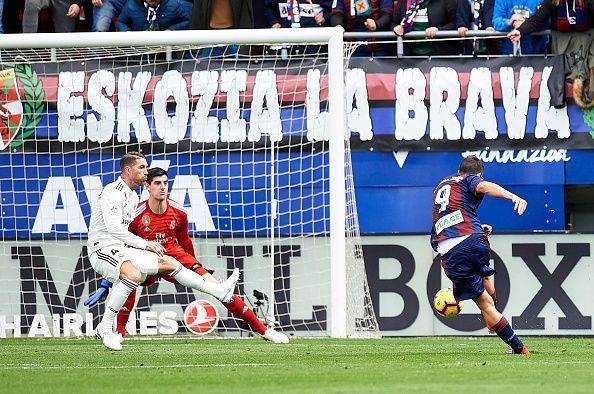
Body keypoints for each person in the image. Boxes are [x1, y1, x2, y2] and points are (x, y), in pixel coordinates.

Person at [87, 167, 290, 343]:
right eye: (157, 183)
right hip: (146, 255)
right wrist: (107, 282)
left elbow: (184, 241)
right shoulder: (137, 212)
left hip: (173, 255)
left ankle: (264, 330)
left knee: (216, 287)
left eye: (165, 183)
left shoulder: (179, 211)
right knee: (131, 280)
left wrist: (195, 266)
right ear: (147, 187)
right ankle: (119, 333)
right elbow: (123, 244)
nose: (163, 187)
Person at [88, 152, 240, 351]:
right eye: (141, 167)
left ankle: (218, 291)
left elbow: (124, 234)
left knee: (169, 262)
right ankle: (105, 327)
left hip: (121, 250)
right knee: (132, 275)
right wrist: (146, 245)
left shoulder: (133, 196)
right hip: (102, 247)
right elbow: (114, 229)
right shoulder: (112, 192)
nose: (146, 171)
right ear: (128, 170)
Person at [431, 155, 529, 354]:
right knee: (483, 276)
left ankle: (518, 348)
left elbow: (449, 215)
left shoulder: (442, 185)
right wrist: (512, 196)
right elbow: (483, 187)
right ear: (479, 174)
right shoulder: (471, 179)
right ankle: (493, 320)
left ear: (460, 171)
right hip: (475, 238)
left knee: (484, 304)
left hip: (453, 247)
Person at [391, 0, 462, 56]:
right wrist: (396, 28)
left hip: (441, 55)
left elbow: (456, 22)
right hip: (410, 56)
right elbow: (393, 23)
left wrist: (439, 30)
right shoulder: (404, 2)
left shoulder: (446, 1)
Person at [117, 0, 192, 31]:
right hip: (138, 51)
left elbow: (186, 21)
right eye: (150, 0)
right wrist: (127, 33)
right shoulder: (131, 5)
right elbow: (120, 22)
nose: (152, 4)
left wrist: (171, 30)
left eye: (155, 1)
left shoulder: (173, 5)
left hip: (164, 51)